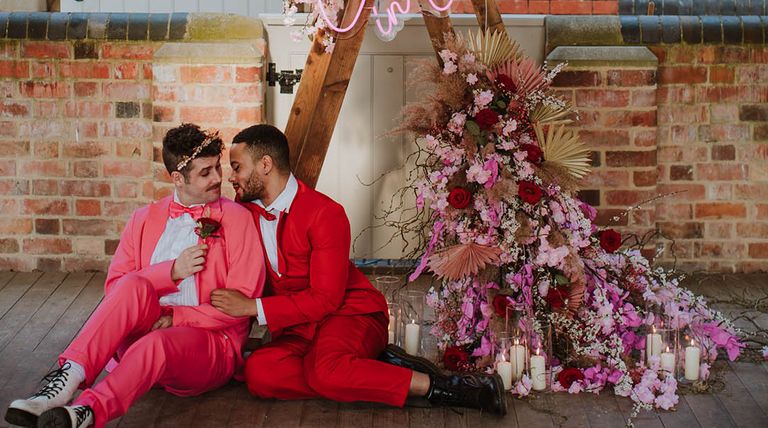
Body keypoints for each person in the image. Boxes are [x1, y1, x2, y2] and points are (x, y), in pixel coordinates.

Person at [211, 124, 505, 415]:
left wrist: (252, 307)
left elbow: (325, 299)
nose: (232, 178)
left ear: (265, 164)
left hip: (349, 313)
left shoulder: (325, 213)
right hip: (298, 328)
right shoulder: (244, 210)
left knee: (324, 371)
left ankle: (443, 387)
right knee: (261, 374)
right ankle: (367, 370)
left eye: (237, 168)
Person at [6, 123, 265, 428]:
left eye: (217, 168)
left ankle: (86, 411)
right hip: (139, 339)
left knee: (158, 343)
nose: (218, 179)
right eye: (205, 172)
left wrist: (177, 319)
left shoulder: (237, 219)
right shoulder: (144, 219)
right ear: (177, 178)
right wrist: (170, 272)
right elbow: (117, 290)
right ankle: (66, 379)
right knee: (131, 285)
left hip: (208, 348)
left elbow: (241, 303)